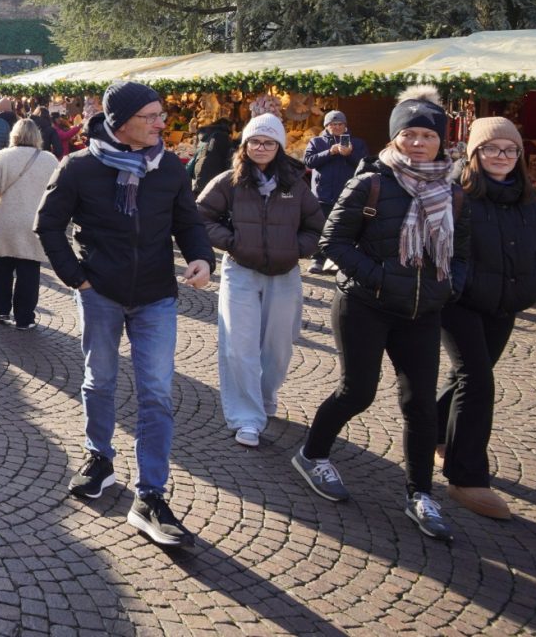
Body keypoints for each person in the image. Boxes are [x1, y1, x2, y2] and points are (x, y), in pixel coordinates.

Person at [35, 82, 215, 548]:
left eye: (162, 114)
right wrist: (77, 278)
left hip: (157, 294)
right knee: (101, 380)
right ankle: (100, 459)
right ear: (121, 122)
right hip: (101, 294)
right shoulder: (79, 167)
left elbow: (188, 221)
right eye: (152, 116)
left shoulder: (170, 166)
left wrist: (201, 257)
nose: (162, 123)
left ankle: (150, 496)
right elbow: (47, 225)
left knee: (156, 393)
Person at [292, 85, 470, 543]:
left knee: (420, 405)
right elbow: (332, 243)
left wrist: (449, 286)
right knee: (357, 392)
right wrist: (378, 278)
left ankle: (419, 494)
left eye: (425, 136)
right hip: (364, 305)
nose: (416, 143)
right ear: (394, 139)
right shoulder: (370, 181)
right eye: (407, 134)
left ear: (440, 142)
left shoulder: (451, 193)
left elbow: (464, 251)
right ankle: (312, 454)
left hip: (422, 311)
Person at [437, 117, 536, 521]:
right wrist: (456, 285)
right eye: (490, 149)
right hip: (461, 303)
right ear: (474, 154)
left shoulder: (529, 200)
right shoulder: (457, 196)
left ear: (519, 156)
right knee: (477, 380)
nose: (500, 156)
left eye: (509, 150)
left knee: (468, 374)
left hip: (505, 304)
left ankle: (436, 432)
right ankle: (465, 476)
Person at [196, 113, 325, 447]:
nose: (261, 147)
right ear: (245, 145)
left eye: (268, 142)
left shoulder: (295, 184)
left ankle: (265, 396)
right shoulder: (229, 181)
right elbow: (200, 215)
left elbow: (316, 224)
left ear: (279, 146)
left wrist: (296, 248)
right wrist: (233, 242)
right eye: (255, 141)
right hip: (241, 270)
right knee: (239, 346)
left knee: (277, 347)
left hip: (284, 274)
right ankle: (245, 418)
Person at [0, 117, 59, 329]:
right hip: (34, 223)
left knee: (3, 268)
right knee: (29, 271)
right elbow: (57, 195)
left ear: (14, 135)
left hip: (3, 221)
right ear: (37, 136)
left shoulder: (1, 157)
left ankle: (0, 310)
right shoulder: (49, 160)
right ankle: (24, 317)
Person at [303, 110, 368, 273]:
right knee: (320, 227)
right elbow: (309, 162)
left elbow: (364, 165)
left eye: (340, 124)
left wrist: (349, 154)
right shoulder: (316, 142)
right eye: (333, 124)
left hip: (347, 194)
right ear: (326, 126)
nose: (337, 127)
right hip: (322, 194)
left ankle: (340, 261)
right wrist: (330, 152)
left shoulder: (357, 143)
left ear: (345, 126)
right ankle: (318, 259)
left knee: (344, 229)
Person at [190, 117, 233, 196]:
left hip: (199, 171)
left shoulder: (206, 134)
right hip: (211, 173)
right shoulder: (221, 136)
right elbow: (226, 156)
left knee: (199, 198)